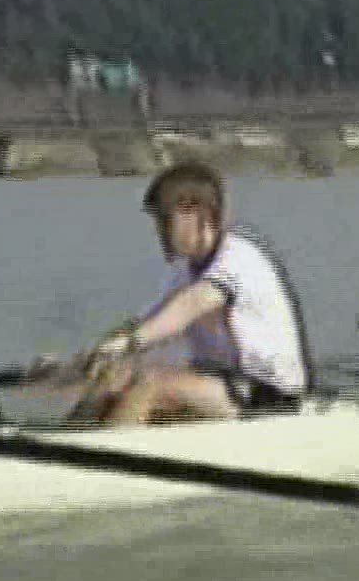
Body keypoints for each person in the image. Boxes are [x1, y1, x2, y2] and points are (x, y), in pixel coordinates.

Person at [68, 161, 309, 425]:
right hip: (216, 380)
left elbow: (190, 306)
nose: (158, 230)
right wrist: (96, 354)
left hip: (265, 390)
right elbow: (147, 323)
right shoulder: (183, 270)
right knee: (113, 380)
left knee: (150, 383)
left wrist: (128, 343)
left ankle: (102, 459)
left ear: (198, 213)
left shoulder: (238, 258)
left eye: (164, 218)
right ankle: (65, 443)